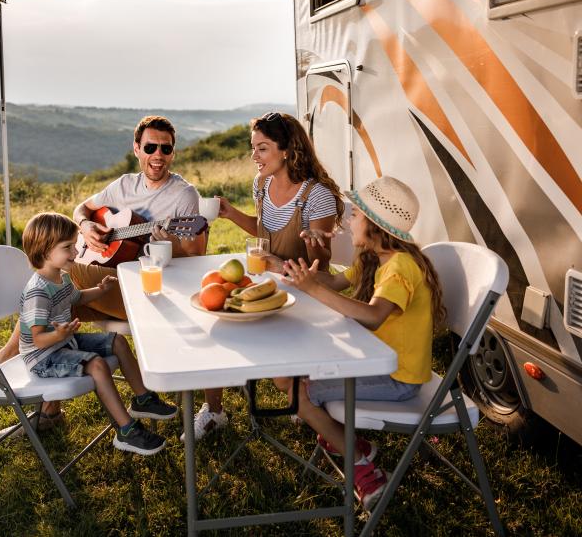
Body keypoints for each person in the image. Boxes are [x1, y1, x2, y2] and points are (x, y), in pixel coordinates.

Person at [0, 116, 206, 436]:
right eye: (150, 147)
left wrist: (172, 241)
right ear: (137, 148)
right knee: (60, 302)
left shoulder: (183, 195)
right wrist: (87, 227)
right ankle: (45, 409)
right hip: (111, 284)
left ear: (173, 153)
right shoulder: (123, 185)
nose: (158, 155)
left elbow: (195, 256)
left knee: (58, 280)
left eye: (166, 148)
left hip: (151, 294)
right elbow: (83, 209)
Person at [274, 175, 446, 510]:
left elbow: (372, 316)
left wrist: (312, 289)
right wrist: (288, 271)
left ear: (375, 225)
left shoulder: (400, 267)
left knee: (297, 390)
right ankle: (352, 443)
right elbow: (334, 281)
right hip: (373, 361)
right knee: (286, 378)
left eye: (356, 215)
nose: (350, 219)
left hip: (398, 378)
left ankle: (361, 464)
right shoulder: (376, 259)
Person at [182, 112, 344, 442]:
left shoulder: (317, 195)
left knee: (233, 331)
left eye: (262, 149)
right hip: (268, 283)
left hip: (307, 294)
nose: (254, 157)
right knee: (213, 324)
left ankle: (307, 397)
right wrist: (229, 214)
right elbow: (263, 230)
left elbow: (320, 266)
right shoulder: (262, 184)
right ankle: (215, 409)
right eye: (253, 148)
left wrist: (312, 247)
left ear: (287, 150)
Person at [17, 211, 177, 454]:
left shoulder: (61, 276)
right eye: (68, 247)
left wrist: (100, 290)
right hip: (44, 357)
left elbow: (78, 297)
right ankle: (126, 430)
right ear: (45, 251)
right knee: (98, 364)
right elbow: (38, 340)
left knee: (118, 342)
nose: (75, 252)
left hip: (63, 343)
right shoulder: (37, 292)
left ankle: (143, 399)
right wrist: (58, 336)